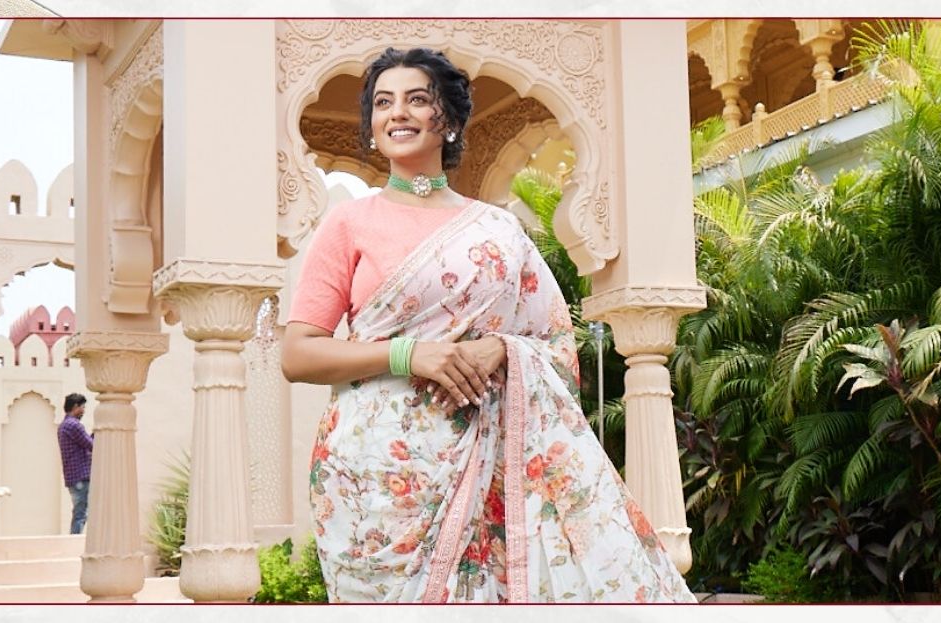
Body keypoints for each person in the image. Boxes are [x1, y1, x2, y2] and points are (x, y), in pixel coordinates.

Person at [280, 47, 695, 603]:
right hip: (373, 478)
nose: (397, 112)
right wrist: (408, 354)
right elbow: (298, 354)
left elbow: (554, 343)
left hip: (489, 459)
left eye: (416, 99)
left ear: (447, 120)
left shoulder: (499, 230)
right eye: (383, 103)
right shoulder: (349, 223)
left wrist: (501, 349)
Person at [56, 393, 92, 534]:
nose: (83, 411)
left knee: (79, 511)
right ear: (75, 406)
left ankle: (74, 539)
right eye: (82, 407)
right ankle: (74, 541)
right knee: (81, 513)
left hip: (73, 477)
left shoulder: (63, 425)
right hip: (80, 475)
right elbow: (91, 445)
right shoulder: (74, 425)